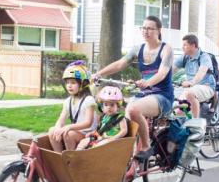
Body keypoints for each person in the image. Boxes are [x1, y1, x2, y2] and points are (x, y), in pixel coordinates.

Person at [92, 16, 173, 162]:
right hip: (144, 95)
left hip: (162, 96)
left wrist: (148, 82)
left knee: (133, 109)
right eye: (143, 28)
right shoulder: (138, 49)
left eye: (150, 28)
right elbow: (120, 64)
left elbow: (162, 73)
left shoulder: (165, 49)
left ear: (159, 30)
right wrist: (99, 73)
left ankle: (147, 147)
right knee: (125, 123)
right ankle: (128, 163)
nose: (145, 31)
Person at [48, 62, 97, 152]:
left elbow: (88, 123)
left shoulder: (89, 100)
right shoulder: (68, 101)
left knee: (68, 134)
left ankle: (71, 160)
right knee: (52, 130)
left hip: (87, 133)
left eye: (73, 83)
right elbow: (61, 119)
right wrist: (58, 128)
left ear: (83, 84)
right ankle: (59, 157)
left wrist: (69, 127)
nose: (69, 86)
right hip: (75, 131)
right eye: (67, 83)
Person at [173, 34, 216, 118]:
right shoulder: (184, 58)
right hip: (191, 88)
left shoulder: (204, 57)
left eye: (185, 45)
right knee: (175, 111)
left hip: (207, 87)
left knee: (190, 93)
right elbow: (170, 70)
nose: (182, 47)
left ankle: (195, 124)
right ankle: (182, 126)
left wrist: (192, 82)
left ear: (193, 45)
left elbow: (201, 72)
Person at [76, 86, 128, 150]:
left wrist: (114, 138)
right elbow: (100, 129)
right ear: (102, 107)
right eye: (106, 105)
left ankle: (88, 155)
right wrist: (93, 133)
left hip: (111, 141)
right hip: (101, 138)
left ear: (118, 106)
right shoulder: (103, 117)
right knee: (83, 142)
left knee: (97, 146)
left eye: (112, 105)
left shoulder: (120, 118)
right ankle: (77, 153)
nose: (109, 107)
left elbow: (124, 130)